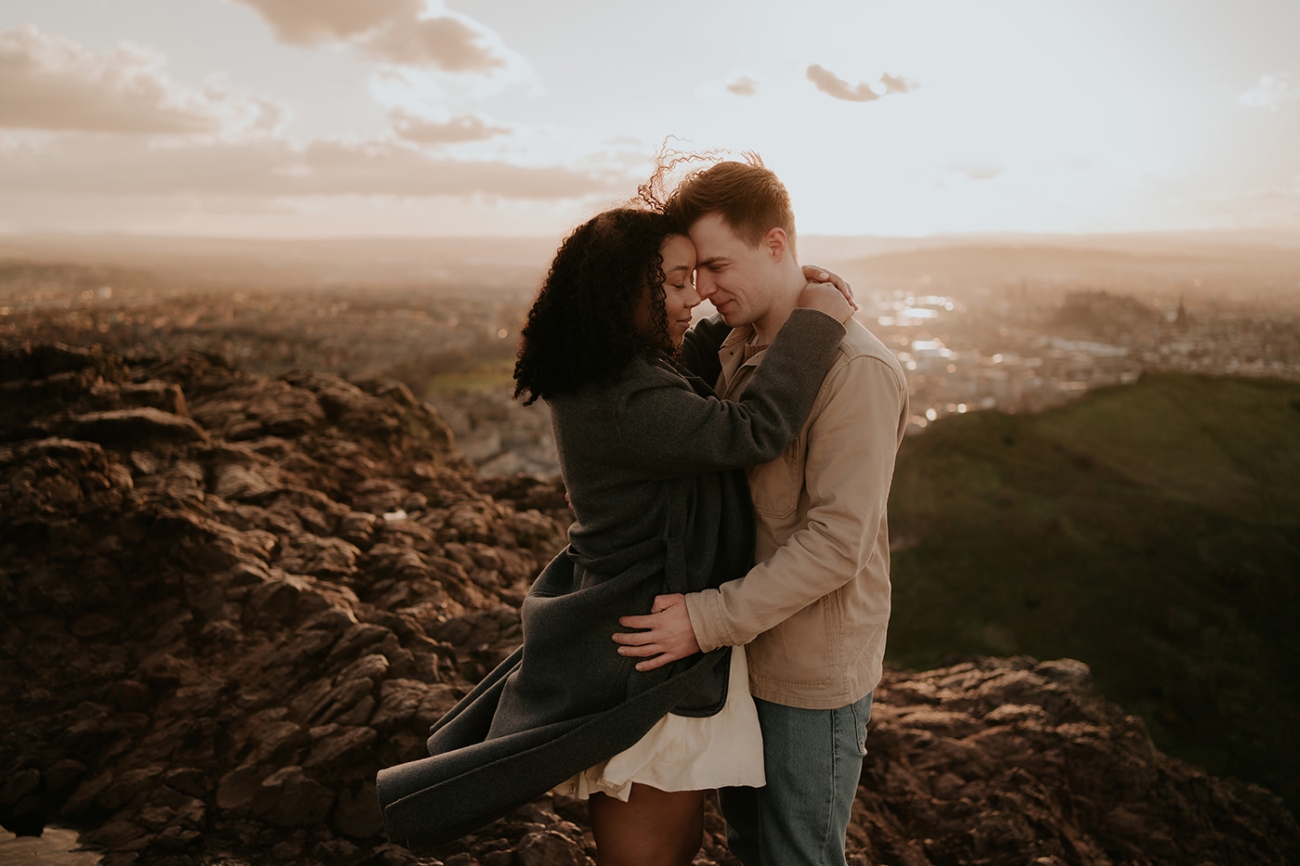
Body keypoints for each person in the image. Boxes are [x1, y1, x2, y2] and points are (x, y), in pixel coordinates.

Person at [376, 206, 855, 865]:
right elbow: (754, 430)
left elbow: (692, 363)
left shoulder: (619, 370)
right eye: (679, 281)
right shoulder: (625, 398)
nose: (697, 296)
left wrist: (768, 304)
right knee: (656, 850)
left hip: (647, 637)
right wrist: (820, 319)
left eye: (700, 278)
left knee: (674, 839)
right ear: (625, 289)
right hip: (647, 654)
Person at [613, 158, 910, 866]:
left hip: (807, 675)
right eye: (695, 273)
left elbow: (837, 543)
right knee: (751, 849)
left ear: (776, 245)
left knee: (797, 857)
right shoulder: (742, 347)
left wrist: (704, 620)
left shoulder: (855, 372)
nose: (704, 289)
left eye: (718, 265)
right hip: (744, 656)